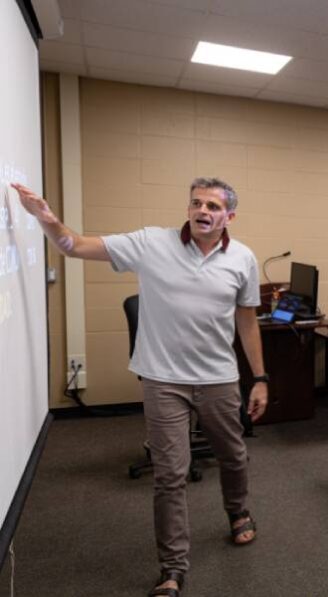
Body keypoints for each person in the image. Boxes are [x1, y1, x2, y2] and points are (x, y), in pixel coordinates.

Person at [13, 178, 267, 597]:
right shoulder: (151, 243)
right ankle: (173, 568)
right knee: (169, 475)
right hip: (163, 381)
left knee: (234, 456)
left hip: (219, 379)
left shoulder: (243, 258)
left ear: (229, 216)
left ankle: (237, 511)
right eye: (196, 203)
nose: (202, 211)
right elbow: (74, 246)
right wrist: (46, 219)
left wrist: (259, 378)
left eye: (212, 206)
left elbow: (247, 321)